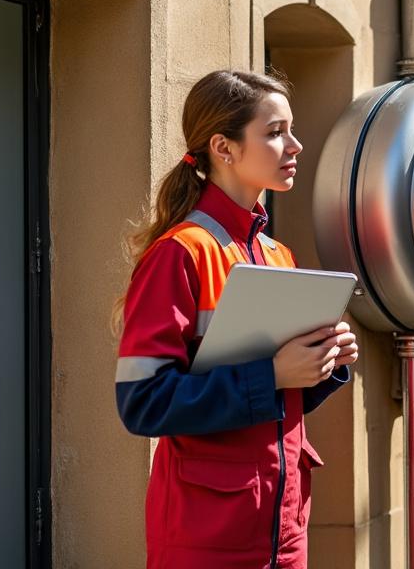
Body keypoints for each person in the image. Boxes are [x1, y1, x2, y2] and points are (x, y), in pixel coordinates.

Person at [115, 70, 359, 569]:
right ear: (223, 148)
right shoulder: (179, 254)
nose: (295, 145)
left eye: (289, 130)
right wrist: (273, 373)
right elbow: (141, 403)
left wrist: (320, 365)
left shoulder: (278, 255)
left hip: (284, 533)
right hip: (206, 538)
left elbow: (268, 404)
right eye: (274, 132)